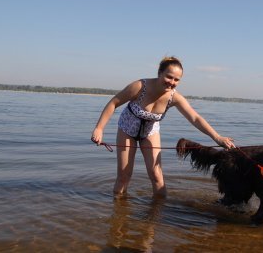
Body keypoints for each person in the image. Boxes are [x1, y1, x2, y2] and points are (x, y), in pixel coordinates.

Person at [91, 56, 236, 198]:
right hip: (127, 129)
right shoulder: (139, 86)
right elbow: (113, 103)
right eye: (169, 77)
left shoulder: (175, 98)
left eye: (176, 79)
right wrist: (99, 128)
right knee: (124, 175)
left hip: (150, 132)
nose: (172, 82)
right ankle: (118, 214)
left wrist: (217, 137)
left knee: (156, 176)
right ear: (160, 73)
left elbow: (195, 118)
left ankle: (158, 214)